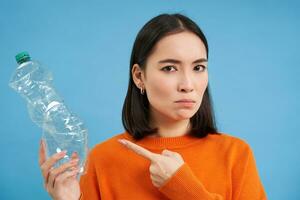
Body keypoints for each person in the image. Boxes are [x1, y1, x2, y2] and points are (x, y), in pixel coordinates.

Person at [39, 13, 267, 200]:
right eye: (170, 68)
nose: (188, 85)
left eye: (198, 68)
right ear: (139, 77)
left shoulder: (236, 155)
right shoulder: (102, 159)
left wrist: (185, 188)